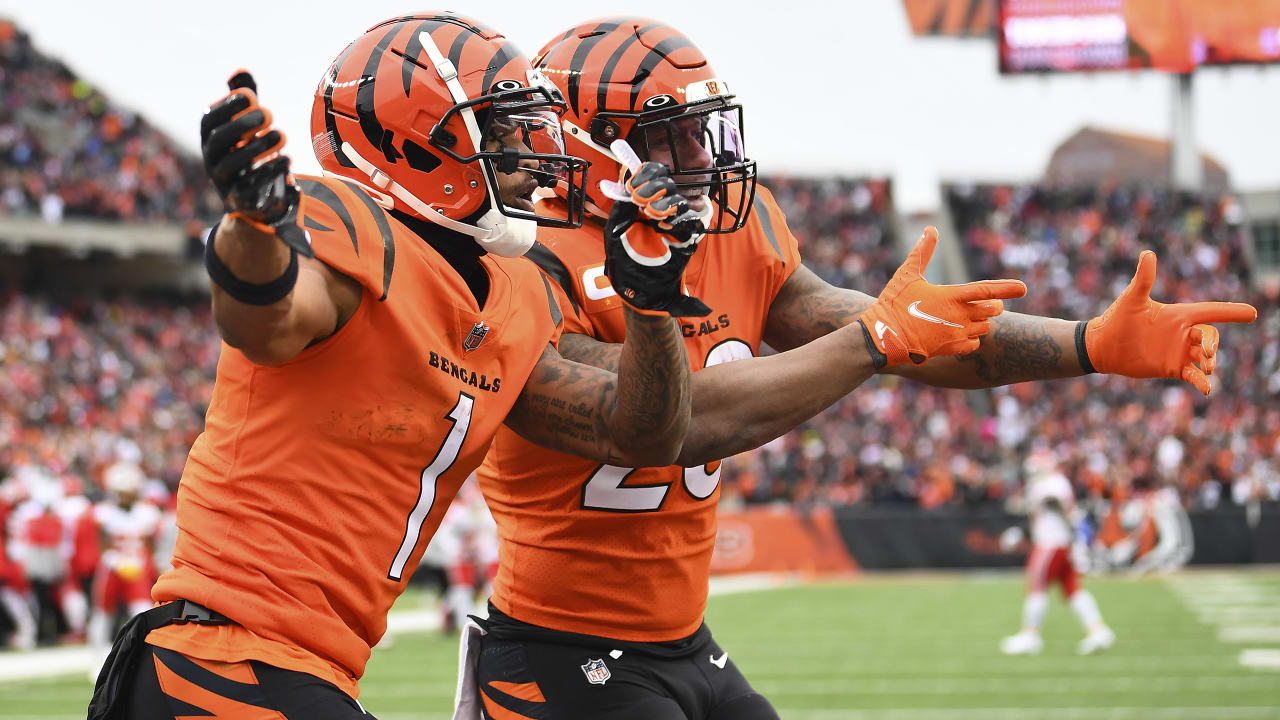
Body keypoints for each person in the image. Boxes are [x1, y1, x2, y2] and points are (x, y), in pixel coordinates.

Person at [466, 17, 1258, 720]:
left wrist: (1087, 344)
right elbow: (676, 422)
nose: (701, 156)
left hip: (682, 639)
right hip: (559, 646)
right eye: (669, 136)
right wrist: (873, 341)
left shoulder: (737, 232)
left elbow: (914, 332)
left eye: (704, 131)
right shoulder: (520, 266)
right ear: (590, 145)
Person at [88, 12, 712, 719]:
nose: (534, 156)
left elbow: (642, 436)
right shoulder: (348, 221)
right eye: (505, 133)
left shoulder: (519, 294)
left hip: (304, 669)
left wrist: (649, 301)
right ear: (421, 146)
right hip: (223, 654)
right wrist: (251, 223)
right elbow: (267, 319)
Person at [1000, 451, 1113, 656]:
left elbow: (1057, 507)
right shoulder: (1047, 484)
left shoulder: (1051, 484)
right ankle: (1098, 630)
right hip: (1060, 543)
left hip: (1051, 545)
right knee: (1073, 590)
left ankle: (1031, 636)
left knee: (1036, 587)